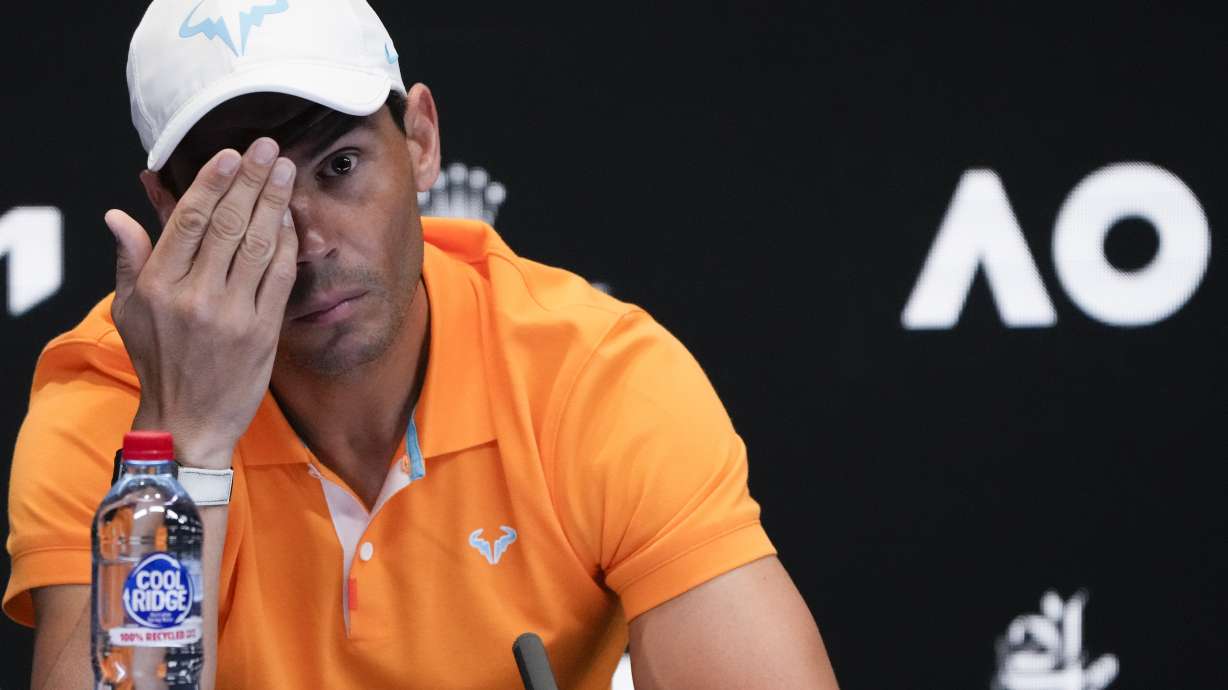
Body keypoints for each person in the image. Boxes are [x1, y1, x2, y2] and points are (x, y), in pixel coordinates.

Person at [4, 1, 840, 688]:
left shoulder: (588, 373)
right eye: (244, 198)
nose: (307, 243)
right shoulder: (107, 405)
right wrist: (185, 445)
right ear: (166, 205)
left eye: (337, 167)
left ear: (423, 140)